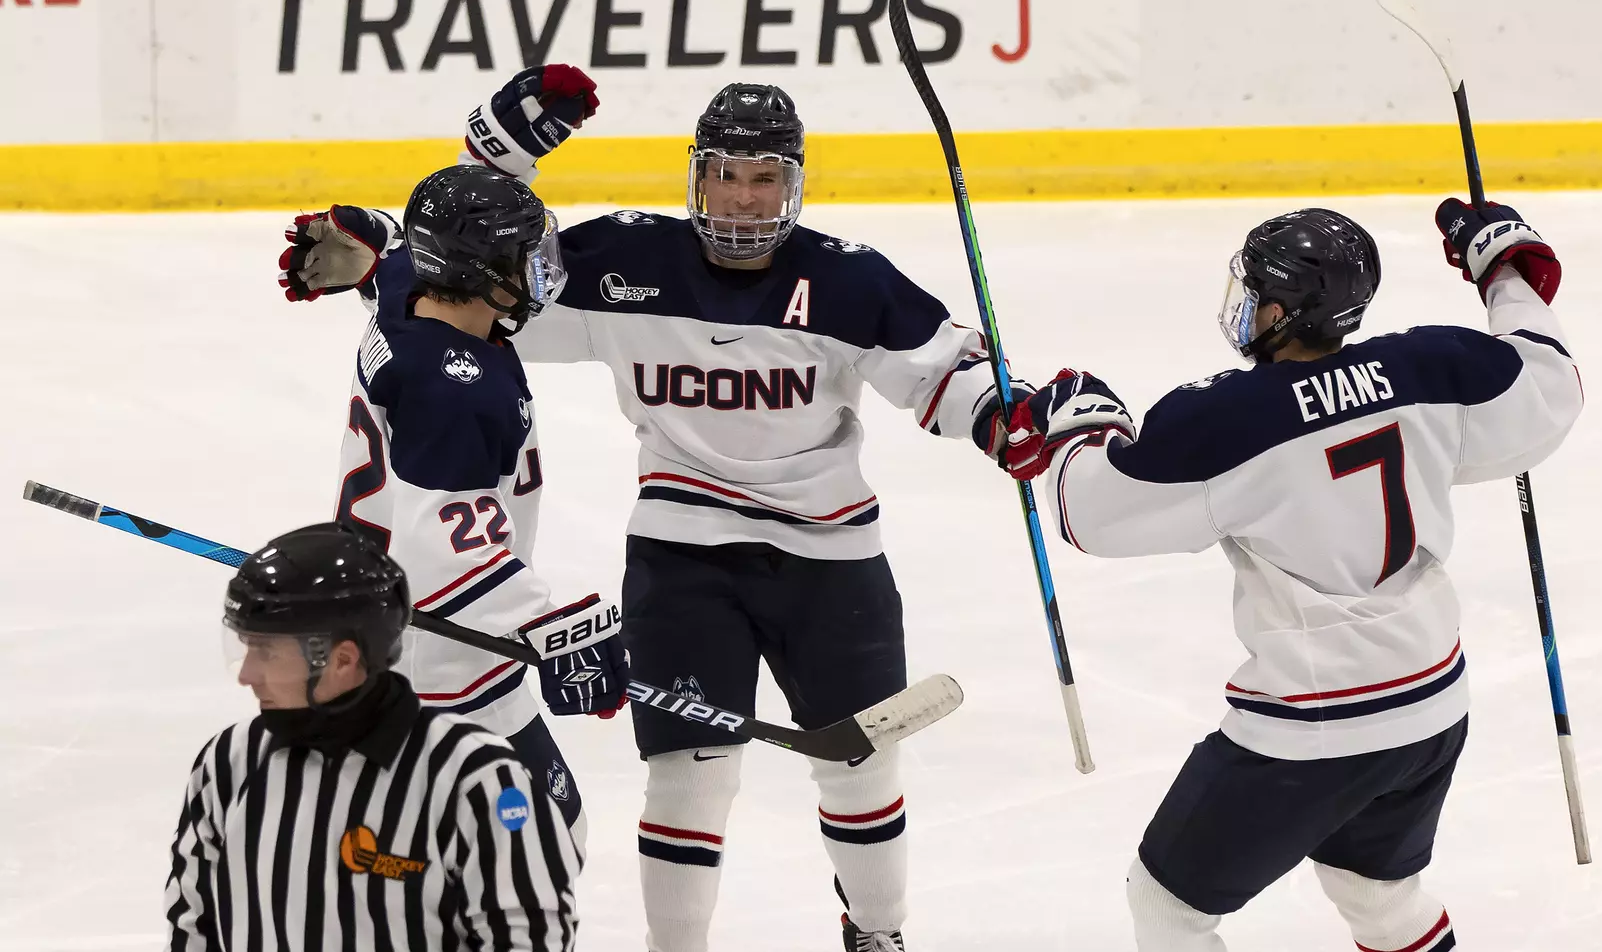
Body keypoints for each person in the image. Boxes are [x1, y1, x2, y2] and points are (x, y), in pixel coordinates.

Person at [279, 66, 1029, 952]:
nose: (744, 200)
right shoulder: (625, 264)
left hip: (831, 558)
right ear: (695, 175)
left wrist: (1008, 417)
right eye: (725, 174)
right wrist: (395, 259)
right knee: (688, 779)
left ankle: (878, 934)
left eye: (766, 179)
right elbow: (483, 288)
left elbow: (945, 374)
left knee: (862, 771)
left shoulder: (850, 282)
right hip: (683, 551)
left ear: (795, 184)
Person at [999, 201, 1581, 951]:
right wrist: (1505, 270)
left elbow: (1091, 514)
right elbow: (1550, 381)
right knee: (1379, 895)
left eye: (1253, 293)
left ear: (1279, 310)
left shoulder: (1226, 419)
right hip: (1432, 703)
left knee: (1169, 908)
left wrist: (1080, 426)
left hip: (1319, 725)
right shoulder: (1432, 367)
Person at [289, 161, 628, 846]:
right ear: (477, 268)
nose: (541, 268)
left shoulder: (409, 294)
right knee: (536, 849)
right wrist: (557, 625)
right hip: (437, 668)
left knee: (543, 838)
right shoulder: (457, 393)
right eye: (525, 253)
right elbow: (438, 555)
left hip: (396, 645)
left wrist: (378, 242)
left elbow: (392, 262)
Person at [165, 522, 581, 950]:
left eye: (266, 652)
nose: (247, 675)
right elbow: (192, 928)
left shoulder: (479, 781)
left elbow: (528, 939)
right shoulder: (229, 763)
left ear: (342, 659)